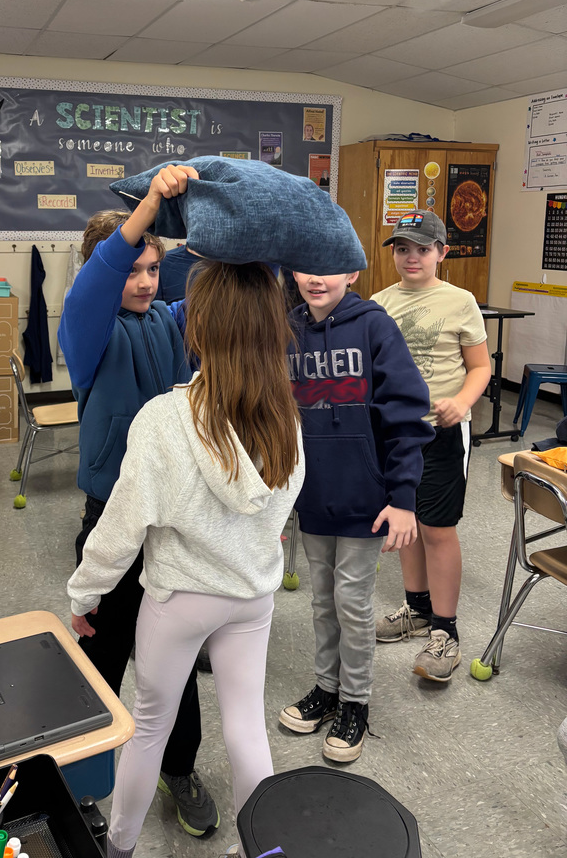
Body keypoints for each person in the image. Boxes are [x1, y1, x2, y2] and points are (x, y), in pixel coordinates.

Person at [68, 260, 305, 858]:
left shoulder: (165, 419)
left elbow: (120, 527)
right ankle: (267, 849)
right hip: (251, 596)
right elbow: (283, 505)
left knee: (149, 726)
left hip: (178, 600)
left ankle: (118, 846)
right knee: (247, 723)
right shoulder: (285, 415)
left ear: (196, 326)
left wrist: (84, 592)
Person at [57, 165, 219, 839]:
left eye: (153, 267)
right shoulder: (88, 331)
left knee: (173, 660)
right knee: (104, 654)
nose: (145, 280)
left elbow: (214, 285)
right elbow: (98, 281)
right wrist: (151, 202)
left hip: (174, 520)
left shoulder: (170, 320)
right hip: (113, 520)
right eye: (132, 268)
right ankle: (85, 776)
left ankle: (178, 768)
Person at [279, 268, 432, 761]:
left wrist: (403, 496)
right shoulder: (287, 331)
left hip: (367, 499)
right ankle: (327, 689)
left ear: (352, 271)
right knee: (322, 599)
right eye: (305, 267)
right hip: (312, 496)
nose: (315, 278)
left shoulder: (374, 326)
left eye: (328, 268)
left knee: (353, 601)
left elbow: (407, 414)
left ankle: (354, 701)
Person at [373, 211, 491, 682]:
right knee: (406, 523)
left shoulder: (461, 302)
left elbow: (480, 367)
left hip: (440, 434)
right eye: (403, 248)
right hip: (394, 433)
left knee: (437, 528)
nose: (411, 257)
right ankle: (416, 609)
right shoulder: (378, 303)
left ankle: (447, 630)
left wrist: (461, 403)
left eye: (423, 248)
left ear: (442, 252)